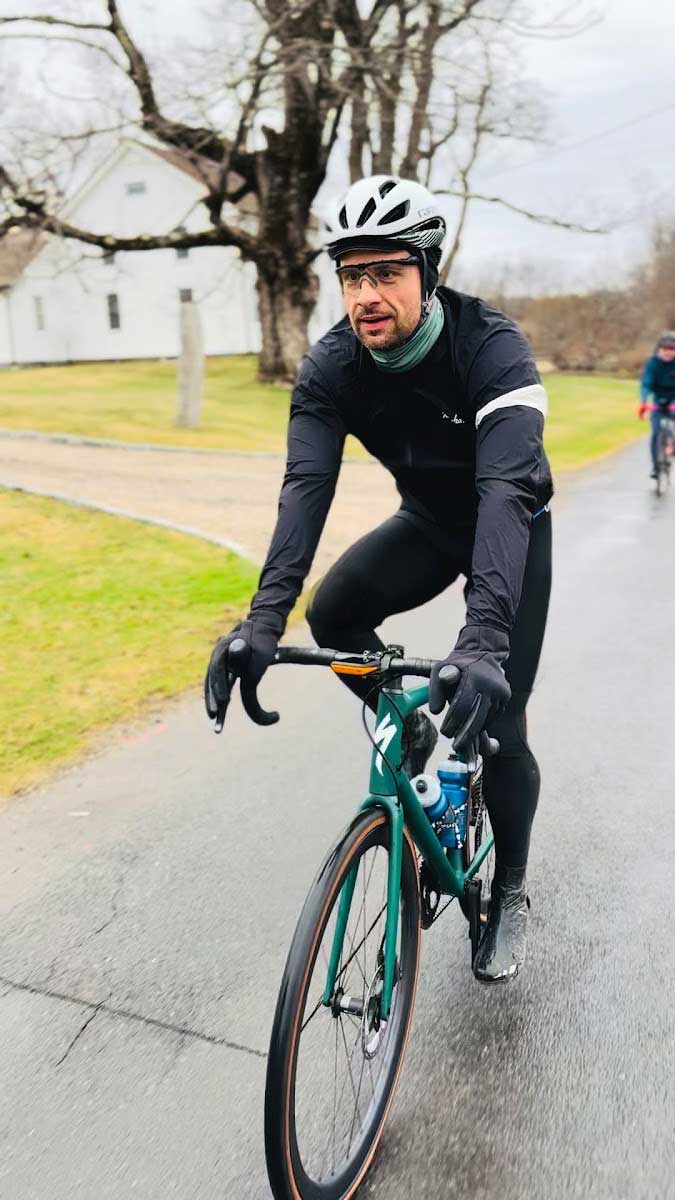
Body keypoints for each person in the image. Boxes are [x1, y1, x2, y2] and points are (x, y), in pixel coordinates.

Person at [205, 175, 553, 984]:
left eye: (386, 273)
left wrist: (481, 641)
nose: (365, 294)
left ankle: (507, 892)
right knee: (333, 615)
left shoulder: (491, 349)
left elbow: (505, 492)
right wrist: (262, 621)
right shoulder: (331, 366)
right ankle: (410, 726)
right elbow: (304, 490)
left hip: (511, 529)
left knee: (500, 718)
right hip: (428, 524)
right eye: (351, 275)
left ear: (427, 273)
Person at [638, 331, 675, 478]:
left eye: (672, 349)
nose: (668, 352)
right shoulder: (652, 363)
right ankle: (656, 467)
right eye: (665, 349)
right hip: (658, 401)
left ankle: (671, 443)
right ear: (659, 349)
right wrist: (643, 401)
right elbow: (646, 383)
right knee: (656, 432)